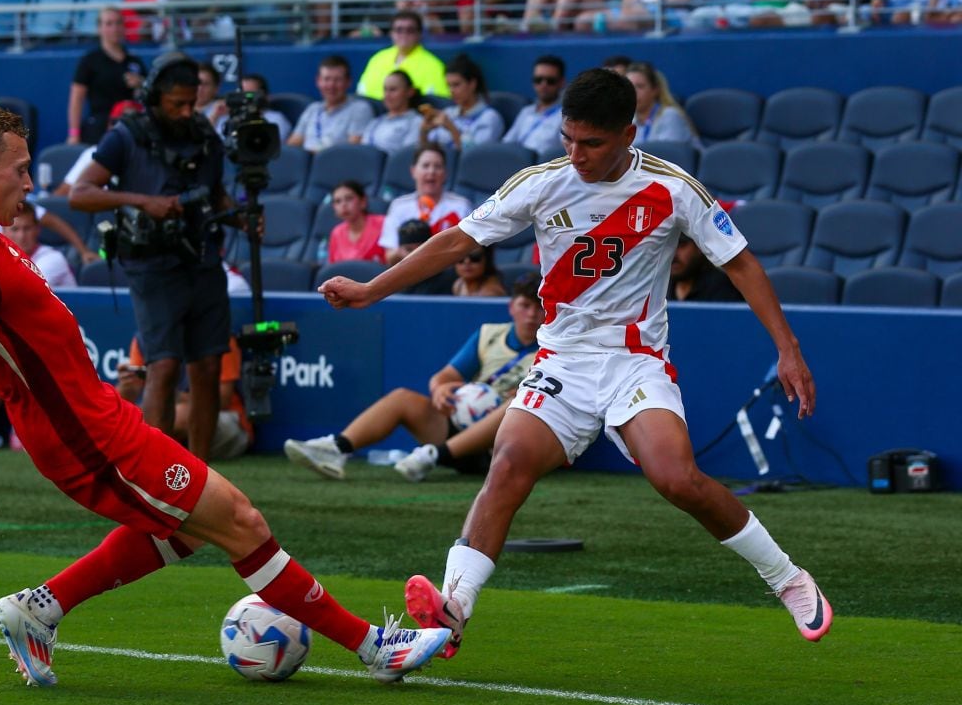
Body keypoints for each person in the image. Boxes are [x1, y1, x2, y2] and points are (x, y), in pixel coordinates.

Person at [0, 106, 448, 687]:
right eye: (19, 169)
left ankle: (41, 608)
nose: (30, 181)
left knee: (191, 527)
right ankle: (375, 647)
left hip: (94, 420)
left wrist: (24, 386)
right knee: (242, 521)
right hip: (88, 438)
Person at [317, 68, 832, 661]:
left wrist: (787, 349)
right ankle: (453, 609)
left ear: (628, 134)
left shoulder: (673, 188)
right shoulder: (542, 184)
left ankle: (787, 578)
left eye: (591, 143)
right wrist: (370, 289)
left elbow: (740, 263)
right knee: (507, 463)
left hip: (634, 362)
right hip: (561, 359)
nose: (576, 154)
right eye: (568, 139)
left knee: (677, 479)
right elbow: (458, 241)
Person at [69, 53, 237, 461]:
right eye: (177, 103)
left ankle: (200, 473)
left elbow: (215, 194)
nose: (185, 111)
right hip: (151, 265)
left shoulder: (204, 134)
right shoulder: (126, 135)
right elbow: (80, 194)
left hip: (202, 259)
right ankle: (156, 472)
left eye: (191, 102)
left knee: (208, 367)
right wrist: (145, 202)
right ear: (154, 97)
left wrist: (240, 216)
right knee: (162, 366)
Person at [285, 273, 542, 481]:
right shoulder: (490, 334)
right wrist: (440, 390)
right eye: (525, 305)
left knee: (518, 404)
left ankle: (433, 456)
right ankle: (337, 448)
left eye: (539, 308)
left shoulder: (553, 349)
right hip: (462, 428)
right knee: (402, 398)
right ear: (511, 307)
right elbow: (443, 377)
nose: (531, 315)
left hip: (507, 446)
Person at [117, 334, 252, 460]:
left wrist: (169, 394)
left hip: (228, 422)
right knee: (129, 418)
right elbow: (123, 405)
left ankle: (147, 449)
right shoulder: (146, 336)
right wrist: (127, 388)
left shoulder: (219, 335)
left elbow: (222, 400)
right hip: (168, 425)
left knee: (174, 413)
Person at [378, 143, 471, 266]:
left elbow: (470, 250)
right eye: (425, 166)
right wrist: (407, 250)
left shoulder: (461, 206)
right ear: (413, 171)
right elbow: (389, 257)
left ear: (445, 173)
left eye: (437, 166)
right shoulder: (399, 207)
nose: (431, 171)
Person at [67, 8, 147, 146]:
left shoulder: (134, 61)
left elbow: (147, 96)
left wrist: (141, 83)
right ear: (99, 28)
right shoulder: (90, 61)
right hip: (100, 127)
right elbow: (76, 99)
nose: (114, 28)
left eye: (118, 23)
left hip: (130, 125)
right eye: (109, 24)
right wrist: (74, 133)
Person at [356, 10, 449, 101]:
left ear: (419, 34)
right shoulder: (377, 59)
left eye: (410, 30)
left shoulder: (434, 65)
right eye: (399, 30)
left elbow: (439, 103)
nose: (404, 34)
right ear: (391, 33)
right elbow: (361, 94)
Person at [287, 56, 374, 153]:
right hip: (305, 165)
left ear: (348, 82)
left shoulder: (359, 109)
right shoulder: (312, 109)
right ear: (318, 81)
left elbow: (353, 150)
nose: (331, 85)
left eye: (337, 80)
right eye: (326, 79)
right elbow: (293, 145)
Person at [420, 54, 504, 150]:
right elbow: (427, 152)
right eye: (448, 86)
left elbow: (476, 158)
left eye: (456, 85)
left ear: (472, 84)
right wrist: (424, 132)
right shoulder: (447, 113)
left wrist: (452, 129)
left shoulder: (489, 118)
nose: (451, 91)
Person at [502, 55, 566, 158]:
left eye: (550, 81)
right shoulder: (526, 111)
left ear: (561, 82)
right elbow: (507, 144)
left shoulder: (565, 116)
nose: (543, 85)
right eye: (538, 80)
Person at [3, 202, 76, 288]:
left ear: (37, 229)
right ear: (3, 232)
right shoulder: (1, 258)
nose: (21, 236)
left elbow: (26, 290)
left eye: (27, 228)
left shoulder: (53, 258)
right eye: (15, 229)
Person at [626, 61, 697, 145]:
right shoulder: (630, 120)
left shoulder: (670, 115)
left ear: (655, 90)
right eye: (629, 86)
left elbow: (668, 155)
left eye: (640, 86)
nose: (633, 92)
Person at [215, 72, 291, 143]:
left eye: (250, 95)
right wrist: (215, 115)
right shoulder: (230, 119)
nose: (245, 99)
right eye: (242, 94)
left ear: (265, 96)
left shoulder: (276, 119)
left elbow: (274, 149)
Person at [360, 70, 424, 154]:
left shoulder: (417, 122)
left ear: (409, 92)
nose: (387, 95)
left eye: (393, 90)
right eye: (385, 90)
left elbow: (406, 156)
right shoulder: (375, 122)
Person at [668, 234, 742, 302]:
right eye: (669, 247)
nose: (674, 255)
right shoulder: (661, 288)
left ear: (699, 247)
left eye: (681, 246)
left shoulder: (722, 288)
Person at [327, 180, 386, 265]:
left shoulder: (383, 223)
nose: (343, 205)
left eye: (349, 199)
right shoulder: (336, 232)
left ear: (363, 202)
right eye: (338, 201)